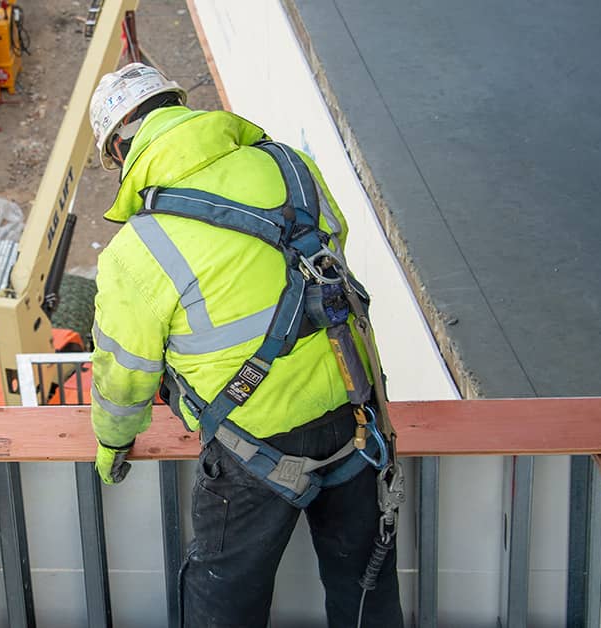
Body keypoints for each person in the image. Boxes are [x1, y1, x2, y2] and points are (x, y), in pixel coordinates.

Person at [86, 63, 404, 627]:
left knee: (223, 603)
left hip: (252, 446)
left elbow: (125, 375)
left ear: (119, 147)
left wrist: (113, 447)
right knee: (366, 594)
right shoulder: (291, 168)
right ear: (179, 106)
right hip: (355, 416)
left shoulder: (136, 251)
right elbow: (331, 258)